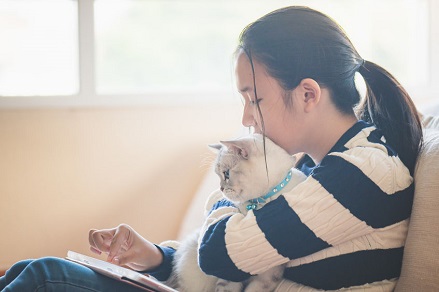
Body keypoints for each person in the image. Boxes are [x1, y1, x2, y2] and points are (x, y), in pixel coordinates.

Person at [1, 6, 423, 292]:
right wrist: (155, 256)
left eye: (254, 99)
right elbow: (233, 250)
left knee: (43, 277)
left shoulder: (362, 172)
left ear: (308, 94)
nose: (246, 118)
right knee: (27, 272)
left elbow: (220, 253)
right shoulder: (317, 168)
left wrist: (224, 198)